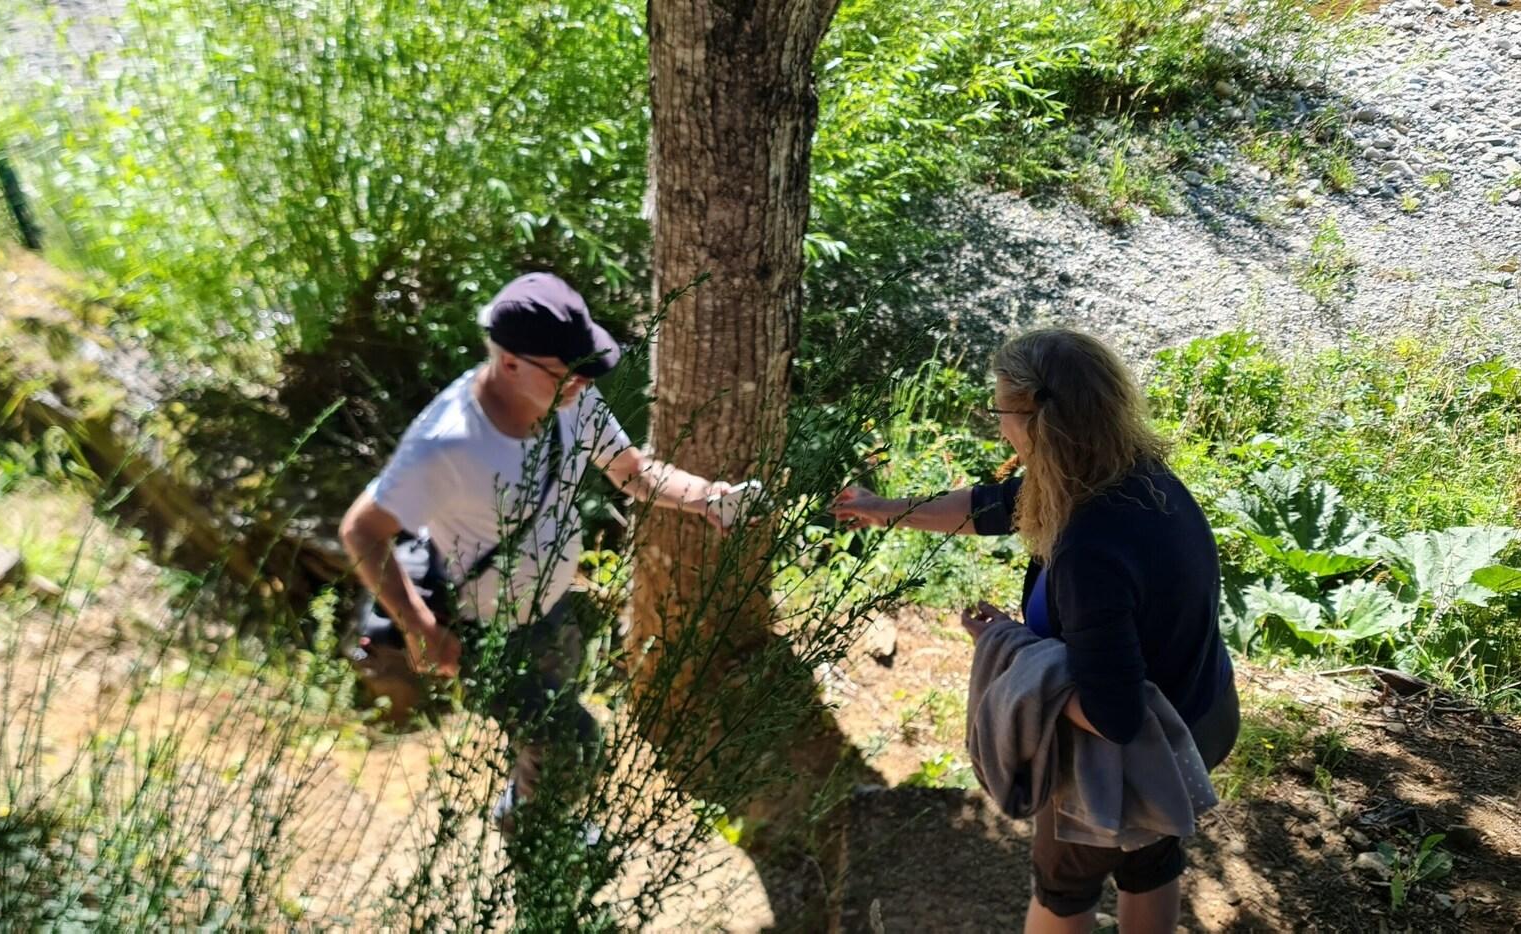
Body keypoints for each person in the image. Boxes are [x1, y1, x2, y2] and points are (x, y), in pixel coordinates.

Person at [833, 328, 1239, 934]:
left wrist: (1006, 646)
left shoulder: (1089, 546)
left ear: (1038, 420)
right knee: (1151, 857)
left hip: (1139, 753)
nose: (1000, 430)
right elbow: (993, 505)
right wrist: (883, 508)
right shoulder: (1131, 475)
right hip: (1201, 717)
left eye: (1001, 412)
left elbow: (1113, 716)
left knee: (1063, 887)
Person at [339, 271, 744, 829]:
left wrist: (706, 498)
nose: (583, 382)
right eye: (567, 372)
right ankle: (529, 835)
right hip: (487, 632)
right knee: (573, 742)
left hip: (551, 607)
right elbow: (361, 530)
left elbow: (632, 472)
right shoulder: (447, 444)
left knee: (550, 731)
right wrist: (419, 627)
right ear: (510, 363)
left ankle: (537, 817)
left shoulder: (569, 393)